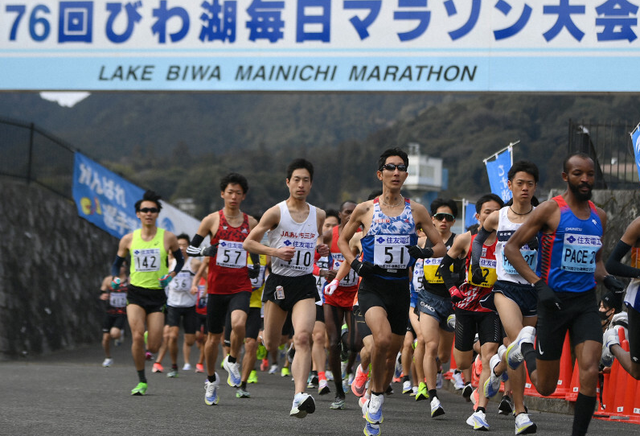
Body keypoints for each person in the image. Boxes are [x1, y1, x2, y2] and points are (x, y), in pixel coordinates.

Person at [504, 153, 624, 436]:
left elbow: (595, 262)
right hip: (552, 302)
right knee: (545, 387)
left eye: (590, 174)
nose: (585, 179)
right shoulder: (550, 210)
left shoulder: (600, 217)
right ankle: (524, 346)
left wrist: (608, 279)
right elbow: (512, 247)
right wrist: (538, 285)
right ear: (565, 177)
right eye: (578, 173)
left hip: (584, 303)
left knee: (590, 370)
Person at [337, 148, 446, 436]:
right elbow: (342, 240)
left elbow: (440, 246)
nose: (396, 172)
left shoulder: (417, 211)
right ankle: (375, 402)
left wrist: (421, 251)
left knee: (389, 354)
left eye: (401, 168)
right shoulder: (365, 209)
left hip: (400, 287)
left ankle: (370, 385)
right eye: (390, 167)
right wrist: (356, 264)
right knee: (381, 339)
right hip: (373, 285)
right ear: (380, 173)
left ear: (406, 175)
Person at [243, 158, 329, 418]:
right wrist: (274, 251)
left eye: (306, 180)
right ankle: (265, 340)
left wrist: (319, 249)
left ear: (311, 184)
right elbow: (249, 243)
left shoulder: (319, 214)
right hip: (278, 283)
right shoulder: (275, 212)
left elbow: (315, 242)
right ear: (288, 182)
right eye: (296, 180)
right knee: (271, 343)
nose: (301, 184)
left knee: (303, 337)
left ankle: (298, 397)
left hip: (304, 283)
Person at [472, 160, 540, 435]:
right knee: (521, 343)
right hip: (505, 287)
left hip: (533, 289)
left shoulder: (542, 215)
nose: (525, 189)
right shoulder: (497, 217)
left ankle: (497, 369)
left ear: (536, 187)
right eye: (519, 183)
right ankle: (521, 413)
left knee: (515, 351)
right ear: (509, 185)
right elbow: (479, 239)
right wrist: (476, 264)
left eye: (530, 184)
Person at [186, 172, 260, 405]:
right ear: (222, 194)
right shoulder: (211, 220)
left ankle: (232, 359)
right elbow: (190, 249)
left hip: (241, 285)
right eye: (230, 192)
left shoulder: (251, 222)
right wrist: (204, 251)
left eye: (238, 193)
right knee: (213, 338)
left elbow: (255, 248)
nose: (234, 197)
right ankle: (210, 380)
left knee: (239, 324)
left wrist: (256, 266)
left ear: (244, 196)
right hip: (217, 287)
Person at [438, 193, 504, 431]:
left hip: (491, 307)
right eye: (487, 212)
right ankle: (475, 363)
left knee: (490, 353)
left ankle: (480, 411)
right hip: (465, 308)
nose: (492, 216)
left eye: (496, 212)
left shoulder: (506, 242)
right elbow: (444, 267)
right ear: (478, 215)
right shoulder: (466, 239)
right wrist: (453, 289)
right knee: (464, 360)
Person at [110, 190, 183, 395]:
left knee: (153, 344)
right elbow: (116, 265)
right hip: (135, 294)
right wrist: (116, 278)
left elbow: (181, 260)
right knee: (136, 335)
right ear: (138, 214)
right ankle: (142, 381)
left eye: (153, 210)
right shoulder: (128, 239)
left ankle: (149, 338)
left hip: (157, 295)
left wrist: (171, 275)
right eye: (145, 210)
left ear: (157, 213)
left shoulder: (168, 238)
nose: (149, 213)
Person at [416, 198, 463, 417]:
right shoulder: (424, 241)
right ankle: (433, 397)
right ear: (432, 218)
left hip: (451, 302)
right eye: (439, 217)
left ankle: (434, 367)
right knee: (430, 344)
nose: (444, 221)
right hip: (428, 297)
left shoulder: (459, 242)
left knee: (443, 356)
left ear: (454, 221)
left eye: (449, 218)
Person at [322, 200, 359, 410]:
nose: (350, 216)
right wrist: (323, 268)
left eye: (354, 213)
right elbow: (317, 251)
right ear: (340, 214)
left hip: (354, 295)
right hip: (333, 295)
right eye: (347, 212)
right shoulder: (331, 234)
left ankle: (349, 368)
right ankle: (338, 390)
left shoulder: (362, 236)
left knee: (354, 343)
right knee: (333, 342)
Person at [603, 216, 640, 379]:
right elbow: (611, 264)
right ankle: (612, 344)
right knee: (637, 371)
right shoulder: (638, 225)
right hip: (638, 300)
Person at [164, 233, 201, 378]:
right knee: (172, 336)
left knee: (190, 340)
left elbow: (207, 277)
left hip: (189, 305)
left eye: (184, 245)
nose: (181, 248)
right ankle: (174, 365)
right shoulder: (169, 261)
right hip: (173, 304)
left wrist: (197, 286)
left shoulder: (194, 263)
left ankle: (179, 361)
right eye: (179, 245)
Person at [100, 260, 129, 367]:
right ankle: (108, 357)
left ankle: (119, 334)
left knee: (114, 333)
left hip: (122, 312)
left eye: (122, 266)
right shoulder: (109, 280)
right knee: (106, 338)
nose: (120, 268)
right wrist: (103, 295)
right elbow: (102, 291)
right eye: (118, 265)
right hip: (110, 312)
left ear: (125, 268)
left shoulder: (129, 281)